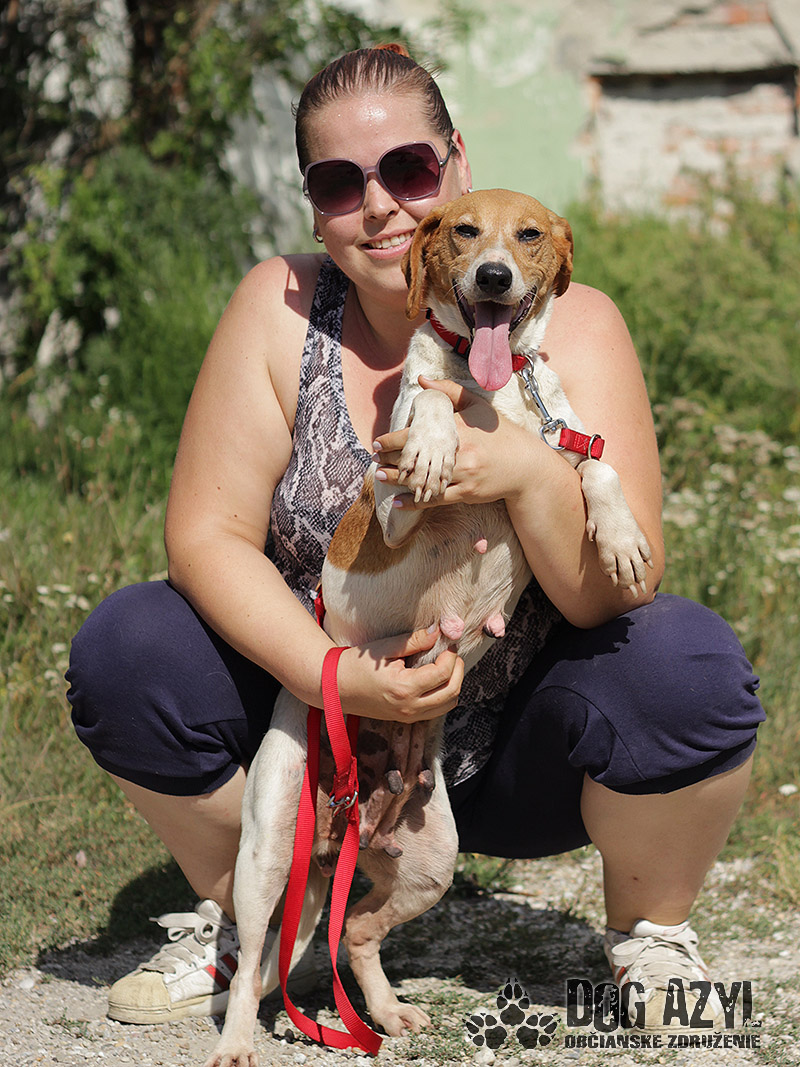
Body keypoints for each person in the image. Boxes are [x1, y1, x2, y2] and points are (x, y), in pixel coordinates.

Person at [67, 44, 764, 1032]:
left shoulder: (575, 324)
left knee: (684, 658)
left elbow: (618, 588)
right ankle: (258, 913)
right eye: (337, 182)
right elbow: (206, 537)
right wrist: (336, 677)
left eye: (407, 167)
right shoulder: (279, 306)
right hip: (322, 724)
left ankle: (650, 932)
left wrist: (526, 470)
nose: (379, 205)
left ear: (457, 162)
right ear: (313, 206)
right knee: (130, 643)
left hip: (512, 749)